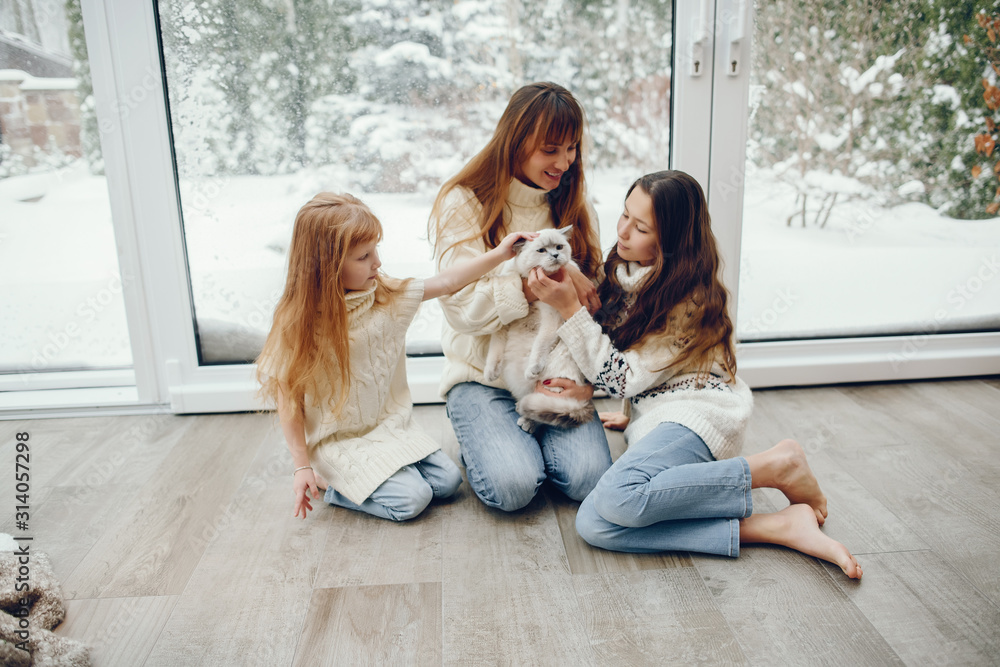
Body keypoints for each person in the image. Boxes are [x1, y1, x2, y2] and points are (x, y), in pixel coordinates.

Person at [528, 171, 862, 578]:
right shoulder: (627, 272)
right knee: (594, 524)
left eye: (641, 227)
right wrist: (628, 410)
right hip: (663, 413)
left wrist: (569, 311)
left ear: (671, 240)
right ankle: (774, 527)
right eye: (624, 215)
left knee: (617, 497)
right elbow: (635, 360)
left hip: (699, 414)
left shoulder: (690, 299)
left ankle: (774, 467)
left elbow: (625, 375)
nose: (623, 231)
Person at [257, 192, 535, 522]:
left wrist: (500, 254)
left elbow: (446, 282)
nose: (377, 262)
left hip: (390, 429)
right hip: (341, 442)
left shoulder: (386, 297)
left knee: (447, 483)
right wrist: (301, 465)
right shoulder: (300, 324)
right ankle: (330, 483)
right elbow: (289, 399)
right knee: (411, 500)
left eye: (376, 250)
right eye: (363, 257)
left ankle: (381, 472)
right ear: (326, 266)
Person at [428, 81, 613, 512]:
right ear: (516, 140)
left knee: (588, 480)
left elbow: (597, 301)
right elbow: (462, 311)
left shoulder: (575, 204)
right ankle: (490, 440)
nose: (564, 162)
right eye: (551, 149)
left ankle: (524, 442)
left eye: (572, 148)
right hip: (484, 375)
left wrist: (586, 386)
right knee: (513, 487)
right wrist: (535, 285)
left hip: (556, 367)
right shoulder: (464, 202)